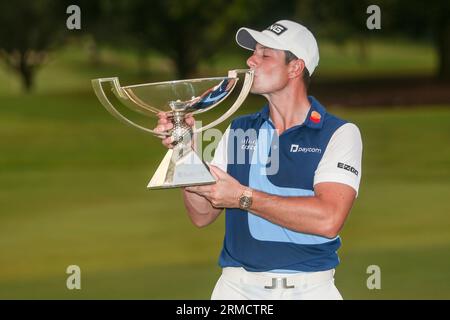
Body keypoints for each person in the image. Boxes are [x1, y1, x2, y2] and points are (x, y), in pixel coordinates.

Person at [155, 20, 362, 300]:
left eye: (265, 55)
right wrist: (184, 150)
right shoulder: (239, 129)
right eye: (254, 52)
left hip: (310, 290)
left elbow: (328, 219)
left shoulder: (338, 134)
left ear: (295, 67)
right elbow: (202, 215)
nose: (251, 60)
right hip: (236, 291)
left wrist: (242, 196)